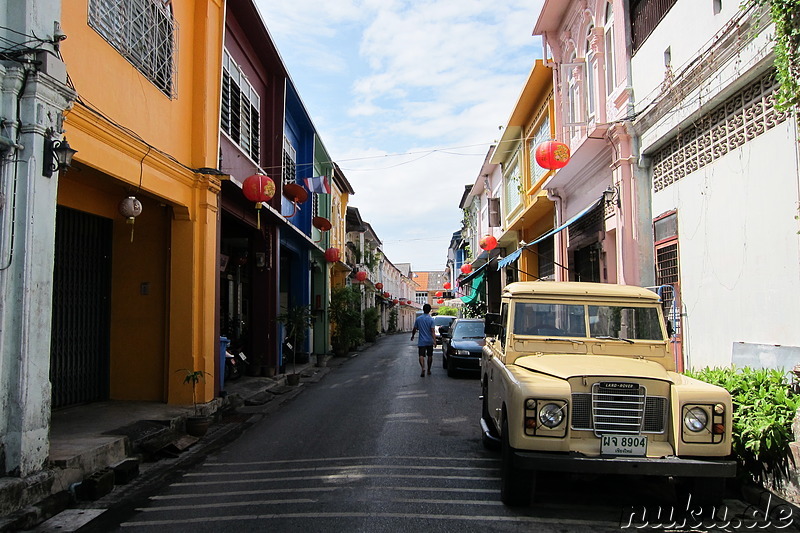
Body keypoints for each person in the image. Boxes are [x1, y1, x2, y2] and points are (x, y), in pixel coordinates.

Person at [410, 303, 436, 377]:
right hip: (429, 341)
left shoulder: (418, 319)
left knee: (421, 355)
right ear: (430, 310)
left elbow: (414, 329)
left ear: (423, 310)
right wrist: (434, 341)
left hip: (422, 341)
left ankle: (423, 368)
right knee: (430, 355)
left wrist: (412, 336)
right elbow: (433, 331)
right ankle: (429, 370)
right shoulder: (431, 319)